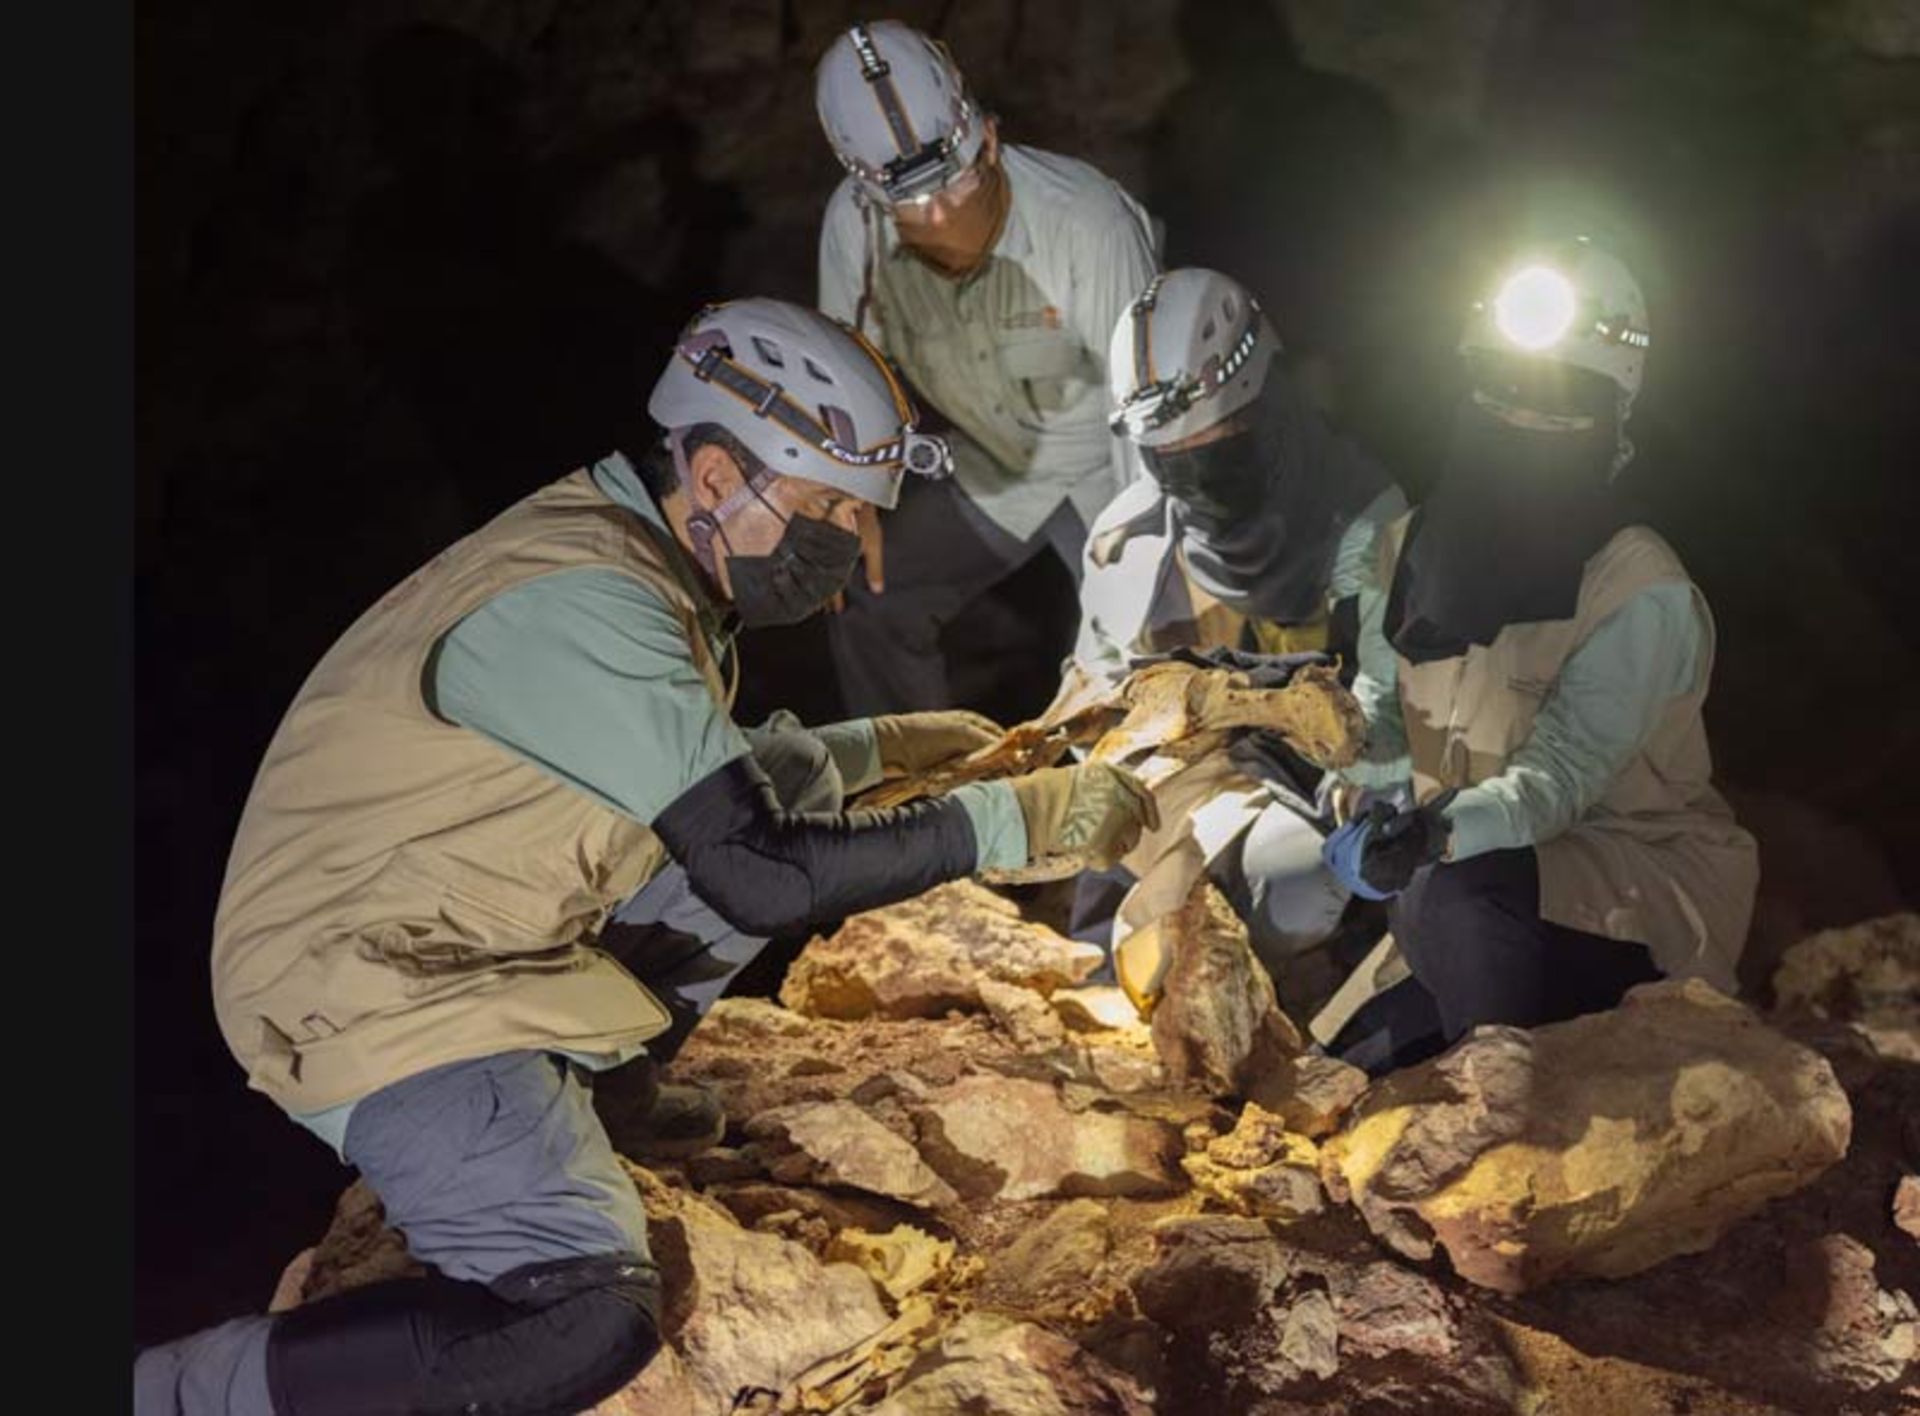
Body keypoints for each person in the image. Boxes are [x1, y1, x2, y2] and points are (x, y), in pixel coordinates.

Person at [134, 297, 1155, 1416]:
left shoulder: (644, 566)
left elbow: (708, 784)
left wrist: (886, 746)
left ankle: (592, 1085)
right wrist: (1018, 819)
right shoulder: (588, 599)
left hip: (457, 936)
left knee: (784, 789)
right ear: (715, 478)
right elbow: (757, 872)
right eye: (825, 507)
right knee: (581, 1324)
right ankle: (175, 1395)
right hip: (370, 985)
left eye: (858, 517)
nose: (852, 551)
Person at [1317, 237, 1759, 1073]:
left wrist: (1430, 839)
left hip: (1631, 902)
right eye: (1502, 394)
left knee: (1452, 890)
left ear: (1614, 422)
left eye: (1561, 409)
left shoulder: (1640, 588)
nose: (1524, 423)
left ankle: (1504, 1104)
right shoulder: (1401, 547)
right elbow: (1381, 717)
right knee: (1329, 1079)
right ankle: (1477, 1051)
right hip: (1458, 898)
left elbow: (1555, 784)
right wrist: (1357, 794)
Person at [1056, 267, 1407, 1026]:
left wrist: (1374, 813)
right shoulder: (1133, 542)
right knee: (1192, 895)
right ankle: (1148, 947)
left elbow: (1395, 712)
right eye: (1174, 461)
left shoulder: (1368, 524)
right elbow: (1099, 734)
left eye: (1222, 450)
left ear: (1268, 404)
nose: (1199, 480)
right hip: (1199, 783)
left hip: (1339, 787)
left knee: (1305, 885)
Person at [815, 18, 1160, 716]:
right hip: (996, 465)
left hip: (1110, 460)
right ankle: (921, 796)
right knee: (871, 597)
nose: (940, 216)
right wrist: (849, 500)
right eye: (912, 204)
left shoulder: (1089, 220)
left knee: (1160, 650)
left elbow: (1146, 423)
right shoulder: (855, 228)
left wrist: (1141, 576)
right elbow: (844, 368)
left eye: (957, 185)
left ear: (990, 139)